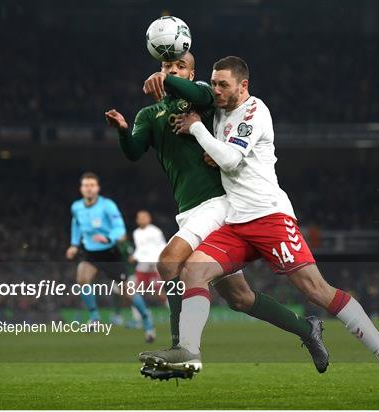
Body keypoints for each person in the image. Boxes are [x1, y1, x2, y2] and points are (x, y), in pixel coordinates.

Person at [141, 56, 379, 402]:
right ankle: (189, 352)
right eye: (213, 83)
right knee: (194, 270)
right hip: (236, 222)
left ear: (244, 86)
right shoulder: (217, 110)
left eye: (224, 84)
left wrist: (197, 128)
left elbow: (230, 159)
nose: (216, 90)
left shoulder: (255, 111)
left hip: (270, 217)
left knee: (317, 291)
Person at [105, 52, 327, 379]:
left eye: (180, 67)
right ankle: (307, 330)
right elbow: (133, 152)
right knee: (240, 298)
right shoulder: (149, 114)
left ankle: (182, 350)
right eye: (168, 67)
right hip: (188, 211)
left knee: (168, 263)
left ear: (191, 73)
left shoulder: (204, 99)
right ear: (159, 68)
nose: (173, 70)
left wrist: (171, 83)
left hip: (218, 204)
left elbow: (199, 95)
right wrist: (123, 130)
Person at [65, 172, 155, 342]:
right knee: (82, 278)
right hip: (90, 253)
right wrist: (74, 244)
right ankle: (95, 317)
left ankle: (146, 319)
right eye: (86, 185)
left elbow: (119, 228)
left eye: (92, 185)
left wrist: (109, 238)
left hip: (110, 253)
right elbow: (75, 223)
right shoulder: (77, 207)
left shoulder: (107, 206)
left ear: (97, 188)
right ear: (81, 189)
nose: (89, 189)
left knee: (126, 291)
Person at [131, 210, 167, 303]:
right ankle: (139, 314)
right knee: (136, 289)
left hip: (154, 264)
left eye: (144, 217)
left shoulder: (155, 231)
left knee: (159, 291)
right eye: (140, 217)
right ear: (137, 220)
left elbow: (162, 246)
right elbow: (140, 249)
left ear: (149, 219)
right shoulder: (136, 233)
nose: (142, 219)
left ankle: (172, 310)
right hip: (142, 265)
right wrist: (134, 256)